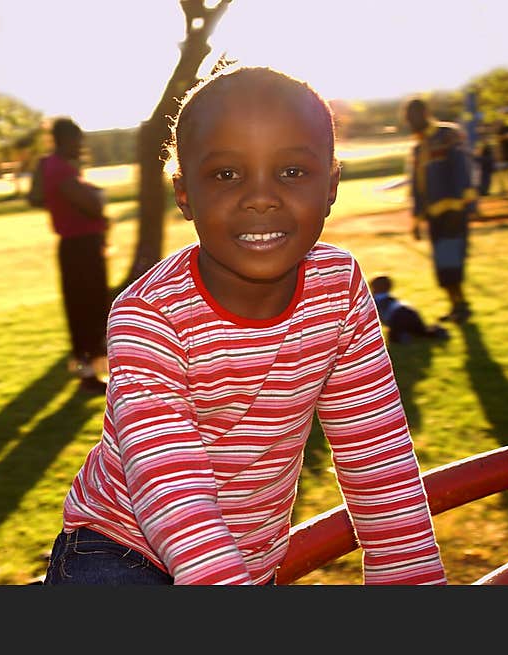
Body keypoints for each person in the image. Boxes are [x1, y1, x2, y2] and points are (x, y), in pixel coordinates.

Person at [43, 65, 447, 585]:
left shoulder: (337, 287)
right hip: (120, 549)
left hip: (247, 558)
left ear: (332, 184)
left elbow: (377, 451)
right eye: (227, 174)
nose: (262, 197)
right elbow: (170, 484)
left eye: (293, 172)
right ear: (184, 193)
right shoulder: (149, 318)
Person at [41, 117, 111, 395]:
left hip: (81, 246)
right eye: (77, 140)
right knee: (86, 310)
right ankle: (89, 374)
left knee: (87, 309)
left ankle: (91, 370)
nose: (81, 146)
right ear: (64, 140)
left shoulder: (60, 168)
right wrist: (97, 197)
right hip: (80, 248)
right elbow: (92, 206)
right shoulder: (60, 170)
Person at [405, 98, 477, 324]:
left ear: (426, 112)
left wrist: (467, 200)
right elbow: (417, 184)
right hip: (434, 214)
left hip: (454, 210)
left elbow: (462, 167)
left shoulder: (448, 135)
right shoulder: (418, 147)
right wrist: (416, 220)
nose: (412, 122)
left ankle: (461, 305)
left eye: (415, 116)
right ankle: (458, 305)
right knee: (442, 261)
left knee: (451, 258)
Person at [369, 275, 449, 344]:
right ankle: (436, 331)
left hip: (397, 317)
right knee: (420, 331)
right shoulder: (392, 298)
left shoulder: (374, 300)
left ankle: (402, 336)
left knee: (394, 335)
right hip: (411, 311)